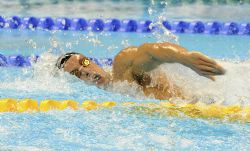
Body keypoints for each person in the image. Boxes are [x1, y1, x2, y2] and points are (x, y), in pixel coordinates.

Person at [56, 42, 225, 100]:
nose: (87, 71)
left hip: (204, 107)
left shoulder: (122, 69)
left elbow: (148, 51)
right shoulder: (113, 92)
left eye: (84, 62)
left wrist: (184, 57)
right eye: (77, 74)